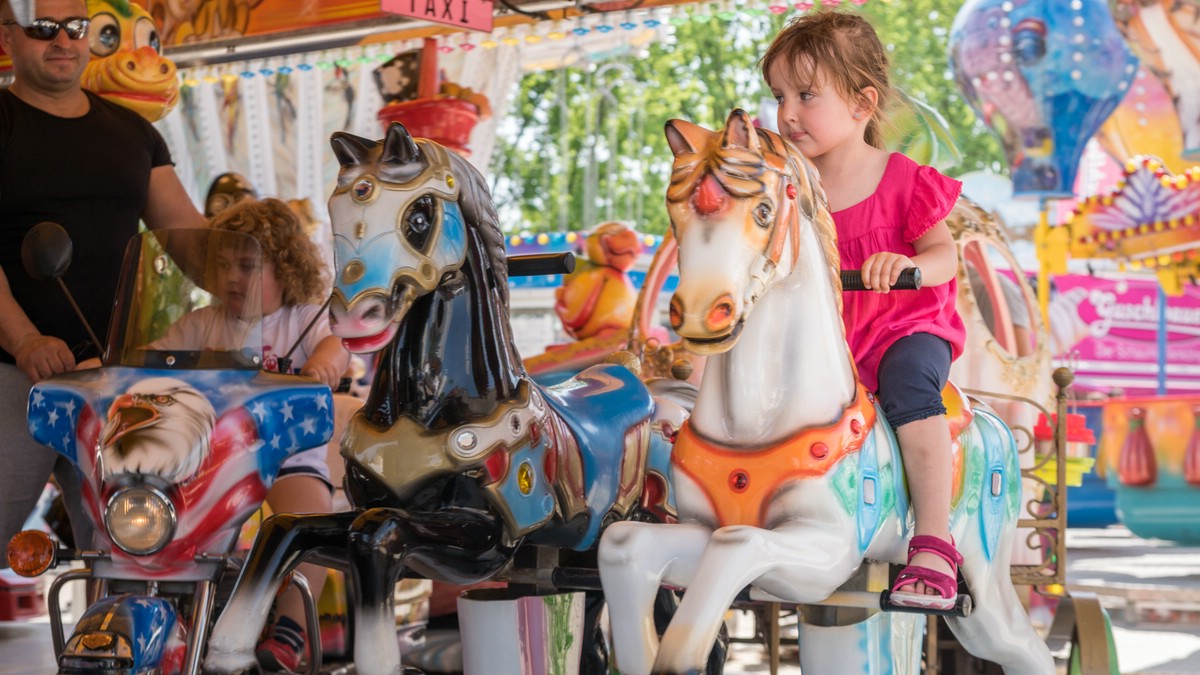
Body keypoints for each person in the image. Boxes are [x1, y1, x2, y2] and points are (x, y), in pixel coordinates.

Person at [761, 9, 967, 611]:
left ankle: (933, 541)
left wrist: (906, 269)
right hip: (829, 342)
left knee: (910, 395)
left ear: (861, 103)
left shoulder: (904, 180)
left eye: (805, 94)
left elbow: (943, 255)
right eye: (778, 96)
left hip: (904, 328)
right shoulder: (789, 190)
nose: (787, 112)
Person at [0, 0, 206, 564]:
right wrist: (24, 340)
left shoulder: (132, 133)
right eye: (44, 29)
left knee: (129, 546)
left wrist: (265, 271)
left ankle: (107, 650)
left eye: (76, 27)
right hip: (14, 374)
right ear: (8, 36)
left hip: (115, 378)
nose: (63, 41)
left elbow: (189, 234)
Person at [152, 197, 349, 672]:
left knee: (309, 524)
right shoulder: (204, 323)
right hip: (210, 461)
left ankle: (291, 628)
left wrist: (323, 364)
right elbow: (152, 356)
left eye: (247, 265)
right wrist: (113, 366)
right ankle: (177, 613)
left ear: (286, 268)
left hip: (287, 454)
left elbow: (335, 342)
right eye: (223, 265)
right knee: (163, 524)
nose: (232, 277)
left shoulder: (303, 319)